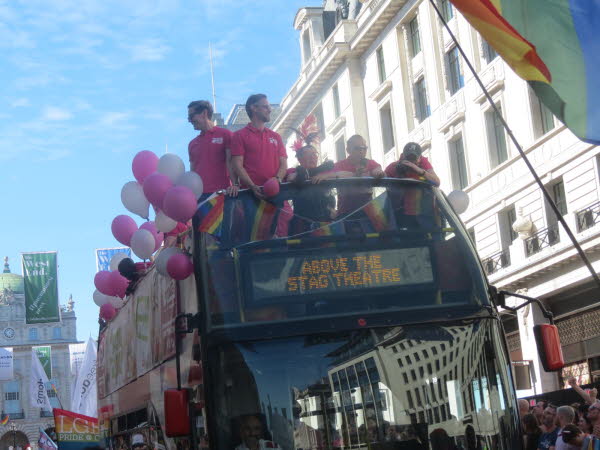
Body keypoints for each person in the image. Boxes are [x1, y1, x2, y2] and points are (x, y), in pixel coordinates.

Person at [231, 94, 287, 199]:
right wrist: (252, 186)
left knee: (286, 216)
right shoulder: (239, 135)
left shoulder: (276, 136)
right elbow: (237, 165)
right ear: (254, 108)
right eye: (266, 107)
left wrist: (277, 180)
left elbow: (283, 164)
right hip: (251, 196)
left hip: (277, 193)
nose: (270, 110)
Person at [187, 100, 238, 198]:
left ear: (204, 113)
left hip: (222, 195)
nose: (189, 120)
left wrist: (236, 185)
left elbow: (231, 163)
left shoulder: (226, 135)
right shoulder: (192, 144)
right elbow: (192, 173)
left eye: (191, 116)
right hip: (200, 199)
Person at [285, 144, 336, 231]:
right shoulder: (294, 171)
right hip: (302, 223)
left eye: (314, 154)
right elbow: (291, 178)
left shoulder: (325, 172)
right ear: (299, 159)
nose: (312, 157)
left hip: (326, 221)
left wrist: (326, 175)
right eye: (307, 154)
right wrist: (305, 172)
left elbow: (347, 174)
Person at [332, 134, 384, 216]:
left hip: (368, 213)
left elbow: (378, 172)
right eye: (357, 148)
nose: (361, 151)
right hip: (346, 214)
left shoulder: (370, 163)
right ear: (348, 150)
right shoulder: (339, 166)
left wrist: (379, 174)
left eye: (364, 148)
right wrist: (355, 175)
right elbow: (334, 175)